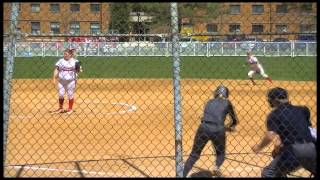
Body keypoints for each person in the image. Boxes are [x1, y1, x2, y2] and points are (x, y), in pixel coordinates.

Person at [251, 87, 316, 177]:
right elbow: (308, 130)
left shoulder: (274, 115)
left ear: (274, 100)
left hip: (294, 151)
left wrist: (258, 147)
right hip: (312, 147)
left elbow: (270, 136)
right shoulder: (302, 110)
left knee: (268, 173)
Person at [183, 85, 238, 177]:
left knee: (194, 154)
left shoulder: (209, 102)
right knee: (221, 154)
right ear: (226, 94)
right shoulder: (227, 103)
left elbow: (204, 118)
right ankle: (216, 167)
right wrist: (229, 127)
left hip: (204, 127)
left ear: (216, 93)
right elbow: (234, 120)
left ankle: (182, 175)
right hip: (219, 129)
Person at [52, 48, 81, 114]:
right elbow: (56, 69)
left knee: (70, 94)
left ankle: (70, 109)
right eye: (64, 54)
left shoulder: (75, 61)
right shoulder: (61, 61)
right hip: (61, 81)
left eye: (66, 54)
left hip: (71, 81)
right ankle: (60, 108)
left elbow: (78, 71)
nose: (64, 55)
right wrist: (54, 78)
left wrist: (78, 68)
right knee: (61, 94)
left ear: (70, 55)